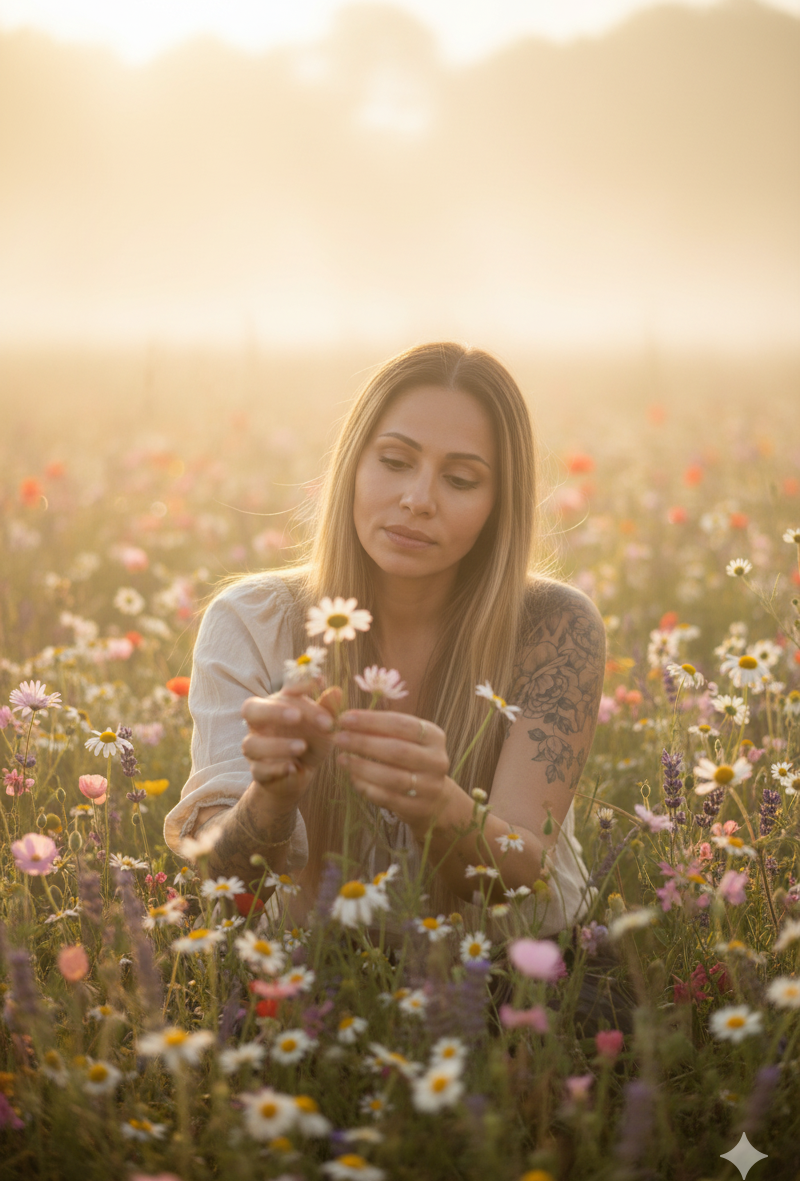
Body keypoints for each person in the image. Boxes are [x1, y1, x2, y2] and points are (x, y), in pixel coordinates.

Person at [164, 341, 606, 950]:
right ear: (352, 466)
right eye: (395, 461)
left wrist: (438, 805)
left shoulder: (556, 627)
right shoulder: (252, 622)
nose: (418, 498)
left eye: (460, 478)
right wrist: (272, 794)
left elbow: (519, 875)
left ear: (498, 505)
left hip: (516, 983)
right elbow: (226, 884)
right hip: (307, 983)